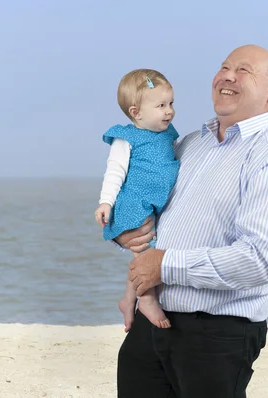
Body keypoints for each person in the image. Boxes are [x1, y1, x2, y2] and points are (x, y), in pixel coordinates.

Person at [113, 45, 268, 398]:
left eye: (244, 71)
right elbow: (141, 199)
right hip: (151, 325)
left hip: (217, 334)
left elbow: (258, 260)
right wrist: (124, 233)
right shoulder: (190, 144)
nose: (228, 76)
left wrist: (163, 265)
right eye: (224, 67)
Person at [94, 68, 180, 332]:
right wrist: (106, 201)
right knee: (146, 250)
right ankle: (147, 298)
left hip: (154, 202)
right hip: (135, 202)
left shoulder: (167, 133)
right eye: (161, 105)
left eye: (171, 104)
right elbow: (115, 171)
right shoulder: (126, 137)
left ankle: (128, 298)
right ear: (136, 113)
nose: (169, 111)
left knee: (146, 248)